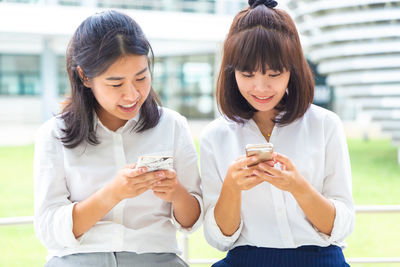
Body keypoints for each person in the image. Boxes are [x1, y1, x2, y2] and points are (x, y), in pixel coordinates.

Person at [33, 10, 202, 267]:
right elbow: (49, 229)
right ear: (84, 77)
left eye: (141, 78)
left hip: (156, 259)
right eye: (116, 84)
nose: (132, 94)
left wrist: (176, 193)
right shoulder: (54, 134)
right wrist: (113, 194)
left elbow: (192, 222)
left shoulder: (172, 126)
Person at [200, 1, 354, 266]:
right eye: (247, 74)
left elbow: (341, 227)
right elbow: (219, 240)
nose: (261, 87)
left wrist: (298, 187)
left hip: (319, 259)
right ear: (231, 72)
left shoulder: (325, 124)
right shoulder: (216, 136)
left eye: (274, 73)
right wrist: (232, 188)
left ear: (292, 70)